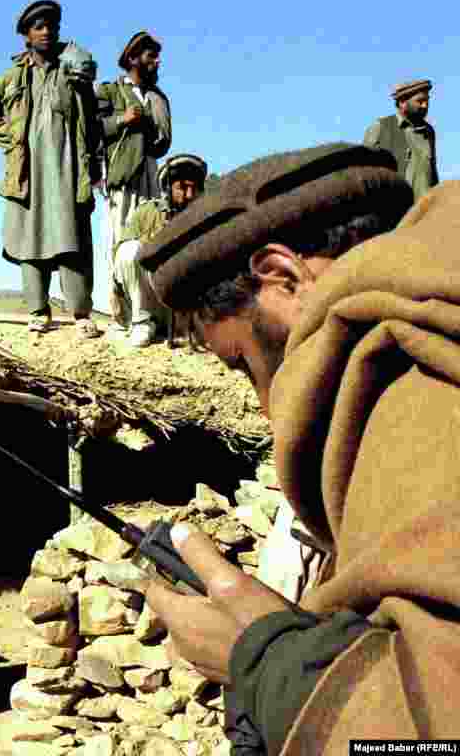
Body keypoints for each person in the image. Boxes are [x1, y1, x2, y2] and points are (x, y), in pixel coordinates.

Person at [137, 143, 460, 753]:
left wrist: (261, 658)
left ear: (283, 277)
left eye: (247, 366)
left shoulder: (413, 386)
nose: (267, 404)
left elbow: (432, 732)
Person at [0, 0, 103, 338]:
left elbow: (91, 112)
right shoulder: (13, 76)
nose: (47, 32)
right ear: (26, 36)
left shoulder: (71, 70)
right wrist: (12, 139)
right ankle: (38, 310)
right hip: (27, 170)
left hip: (67, 167)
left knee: (71, 237)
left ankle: (80, 313)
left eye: (52, 27)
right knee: (29, 237)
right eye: (39, 27)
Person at [97, 30, 171, 333]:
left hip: (150, 177)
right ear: (132, 59)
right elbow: (92, 129)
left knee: (152, 240)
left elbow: (164, 142)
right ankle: (120, 316)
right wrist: (121, 120)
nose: (156, 61)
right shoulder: (109, 92)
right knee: (118, 243)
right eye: (150, 56)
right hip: (121, 180)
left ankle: (150, 313)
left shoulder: (158, 97)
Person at [114, 153, 205, 347]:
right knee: (129, 249)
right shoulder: (146, 212)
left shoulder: (205, 220)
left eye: (193, 188)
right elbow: (121, 261)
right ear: (167, 188)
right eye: (182, 188)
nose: (188, 195)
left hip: (184, 311)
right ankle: (142, 322)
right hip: (149, 301)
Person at [364, 79, 438, 200]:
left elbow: (433, 175)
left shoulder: (429, 132)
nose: (425, 105)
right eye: (420, 101)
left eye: (427, 101)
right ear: (402, 102)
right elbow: (365, 175)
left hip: (425, 211)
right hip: (393, 209)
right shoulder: (381, 127)